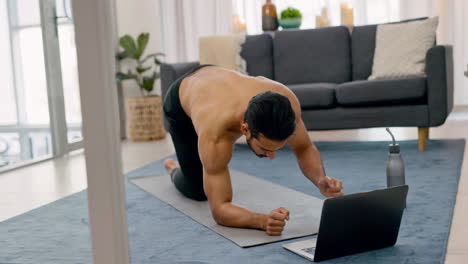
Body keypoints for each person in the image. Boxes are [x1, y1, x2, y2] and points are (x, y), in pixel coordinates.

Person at [163, 65, 343, 236]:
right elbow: (219, 209)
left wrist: (320, 180)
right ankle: (172, 168)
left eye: (277, 149)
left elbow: (304, 148)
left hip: (214, 76)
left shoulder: (286, 104)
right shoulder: (215, 132)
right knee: (197, 191)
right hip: (180, 100)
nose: (272, 157)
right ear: (245, 129)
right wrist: (262, 221)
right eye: (265, 149)